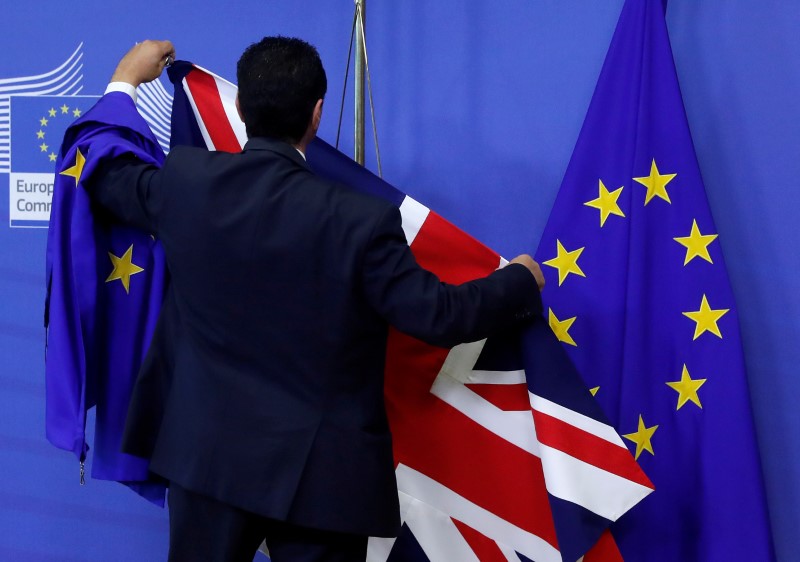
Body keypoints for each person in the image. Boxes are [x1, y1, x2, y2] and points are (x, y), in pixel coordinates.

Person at [86, 37, 545, 562]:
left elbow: (104, 174)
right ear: (318, 114)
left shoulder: (187, 183)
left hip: (208, 462)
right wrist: (520, 281)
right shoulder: (362, 221)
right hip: (323, 478)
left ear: (240, 108)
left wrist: (124, 79)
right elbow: (438, 315)